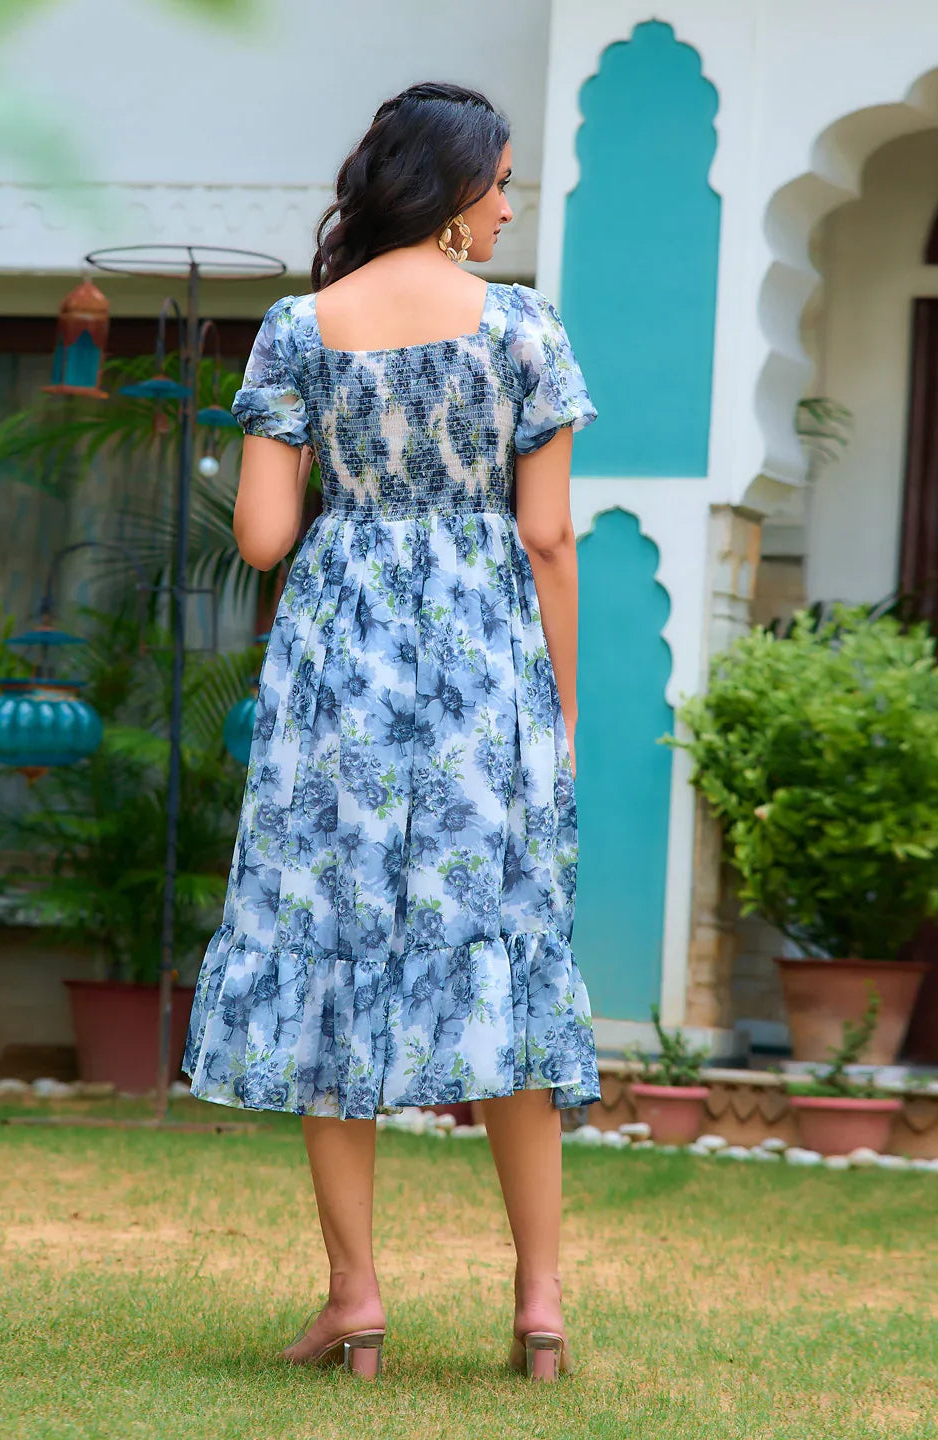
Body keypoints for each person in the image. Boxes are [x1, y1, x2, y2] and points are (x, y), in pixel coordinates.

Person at [183, 81, 600, 1383]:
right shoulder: (527, 330)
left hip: (338, 687)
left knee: (330, 965)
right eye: (501, 182)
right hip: (487, 679)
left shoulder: (301, 330)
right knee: (506, 969)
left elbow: (261, 540)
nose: (510, 203)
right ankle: (537, 1305)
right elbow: (545, 538)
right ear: (454, 186)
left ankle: (356, 1298)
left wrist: (337, 489)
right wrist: (564, 713)